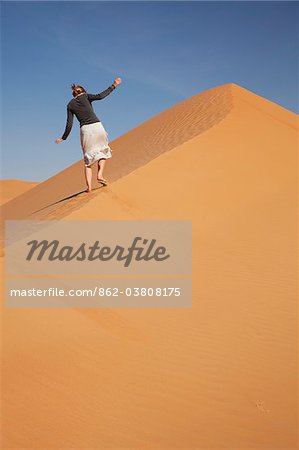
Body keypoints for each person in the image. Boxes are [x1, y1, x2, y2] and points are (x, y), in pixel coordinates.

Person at [55, 77, 122, 192]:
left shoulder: (70, 104)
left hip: (86, 131)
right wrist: (114, 85)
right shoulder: (85, 96)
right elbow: (100, 96)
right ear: (83, 91)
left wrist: (63, 138)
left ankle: (89, 187)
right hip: (97, 127)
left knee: (88, 162)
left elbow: (69, 123)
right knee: (103, 151)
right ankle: (100, 175)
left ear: (73, 94)